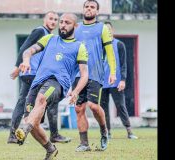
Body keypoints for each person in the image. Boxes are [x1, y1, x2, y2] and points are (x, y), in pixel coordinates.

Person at [14, 13, 89, 160]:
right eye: (61, 22)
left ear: (75, 26)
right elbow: (29, 50)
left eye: (67, 22)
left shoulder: (79, 47)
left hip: (58, 83)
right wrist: (26, 60)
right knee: (33, 121)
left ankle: (24, 129)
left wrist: (76, 91)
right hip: (37, 82)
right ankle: (50, 149)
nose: (62, 25)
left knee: (41, 99)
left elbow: (84, 74)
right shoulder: (49, 39)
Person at [8, 11, 70, 144]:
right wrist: (17, 66)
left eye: (55, 20)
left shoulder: (50, 36)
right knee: (39, 101)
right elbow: (24, 48)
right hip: (32, 73)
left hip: (36, 74)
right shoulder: (40, 31)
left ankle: (15, 134)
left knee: (27, 102)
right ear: (44, 19)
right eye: (51, 19)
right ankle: (52, 134)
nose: (53, 22)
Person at [72, 0, 117, 152]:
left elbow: (110, 52)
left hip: (96, 73)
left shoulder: (102, 28)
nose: (89, 9)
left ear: (97, 12)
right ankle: (84, 143)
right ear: (83, 9)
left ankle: (104, 131)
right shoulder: (76, 27)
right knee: (79, 108)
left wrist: (112, 71)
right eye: (87, 6)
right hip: (77, 74)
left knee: (93, 106)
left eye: (92, 7)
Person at [100, 21, 138, 139]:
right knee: (103, 109)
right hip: (102, 82)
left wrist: (123, 80)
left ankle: (129, 131)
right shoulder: (99, 46)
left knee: (121, 106)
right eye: (105, 29)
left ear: (113, 30)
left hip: (116, 82)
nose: (108, 31)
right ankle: (107, 133)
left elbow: (124, 64)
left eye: (109, 29)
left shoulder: (119, 44)